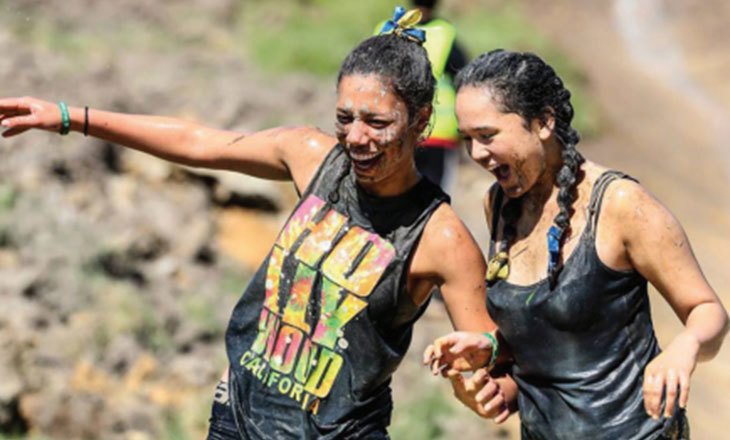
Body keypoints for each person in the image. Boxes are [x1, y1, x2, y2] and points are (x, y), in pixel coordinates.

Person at [0, 9, 516, 440]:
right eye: (345, 117)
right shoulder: (312, 157)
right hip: (237, 420)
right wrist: (68, 116)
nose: (356, 137)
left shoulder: (441, 238)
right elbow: (199, 143)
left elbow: (492, 366)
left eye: (377, 123)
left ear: (422, 120)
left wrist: (477, 388)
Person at [424, 49, 729, 439]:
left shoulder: (619, 205)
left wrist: (685, 347)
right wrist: (491, 349)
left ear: (543, 123)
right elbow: (554, 337)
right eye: (467, 138)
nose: (477, 154)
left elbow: (707, 311)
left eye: (487, 136)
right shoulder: (499, 204)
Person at [410, 0, 469, 193]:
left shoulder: (388, 29)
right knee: (434, 193)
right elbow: (463, 79)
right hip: (439, 129)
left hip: (400, 128)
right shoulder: (445, 33)